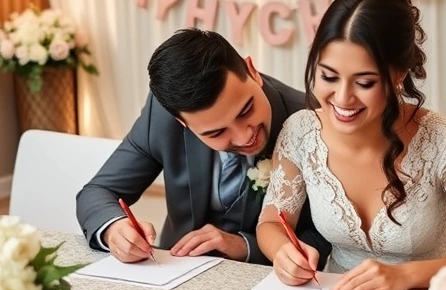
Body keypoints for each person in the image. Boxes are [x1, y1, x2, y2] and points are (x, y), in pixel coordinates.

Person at [256, 0, 446, 290]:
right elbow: (271, 222)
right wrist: (282, 252)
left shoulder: (442, 138)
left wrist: (406, 275)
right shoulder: (300, 132)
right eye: (328, 76)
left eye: (364, 82)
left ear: (399, 75)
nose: (343, 98)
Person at [76, 28, 331, 266]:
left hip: (268, 281)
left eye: (246, 111)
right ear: (181, 122)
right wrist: (114, 229)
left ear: (251, 70)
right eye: (216, 132)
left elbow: (330, 236)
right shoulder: (163, 116)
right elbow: (98, 191)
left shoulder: (311, 120)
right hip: (174, 271)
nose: (244, 137)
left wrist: (245, 246)